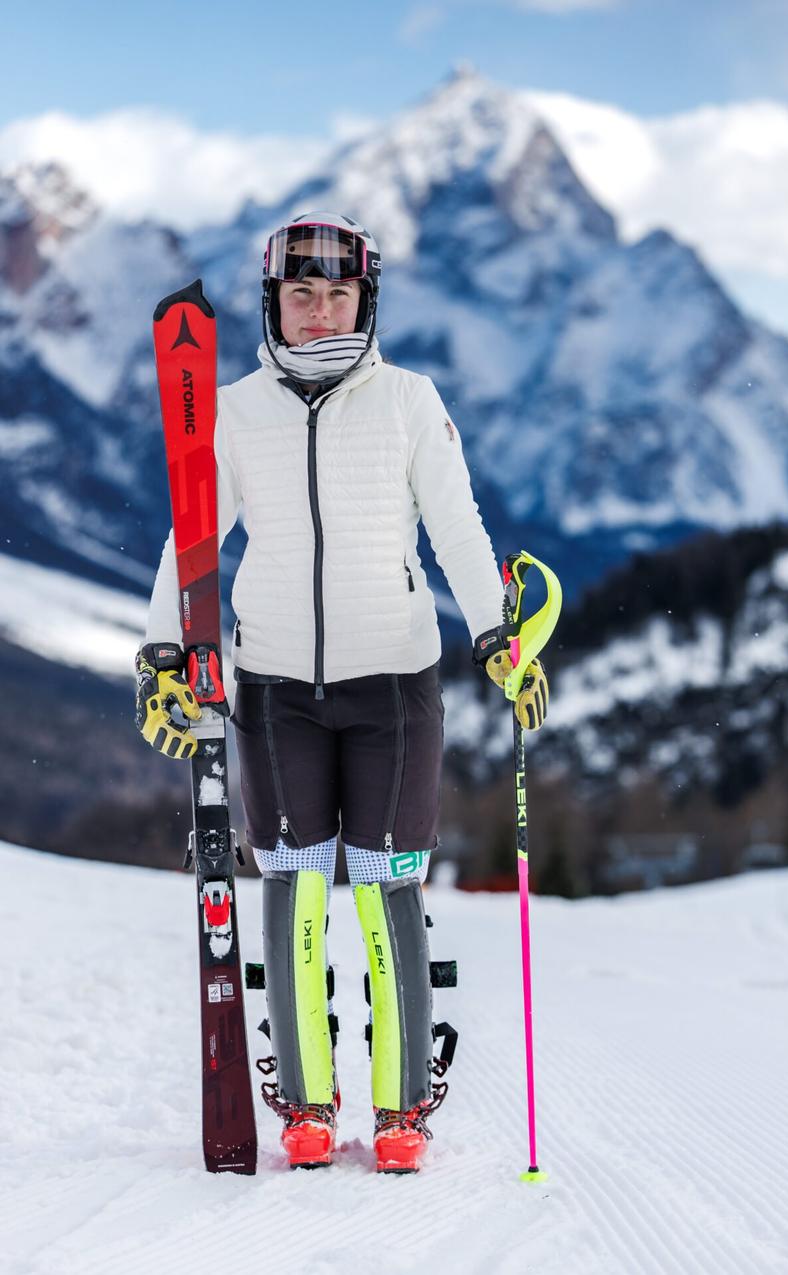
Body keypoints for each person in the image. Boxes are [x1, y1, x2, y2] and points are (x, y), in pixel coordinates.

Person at [135, 212, 549, 1173]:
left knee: (385, 891)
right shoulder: (235, 410)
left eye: (339, 295)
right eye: (301, 295)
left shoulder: (408, 401)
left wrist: (497, 634)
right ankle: (305, 1105)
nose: (320, 315)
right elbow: (191, 540)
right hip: (276, 687)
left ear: (367, 300)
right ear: (273, 302)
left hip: (394, 688)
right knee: (293, 890)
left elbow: (458, 524)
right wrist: (162, 650)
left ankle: (403, 1108)